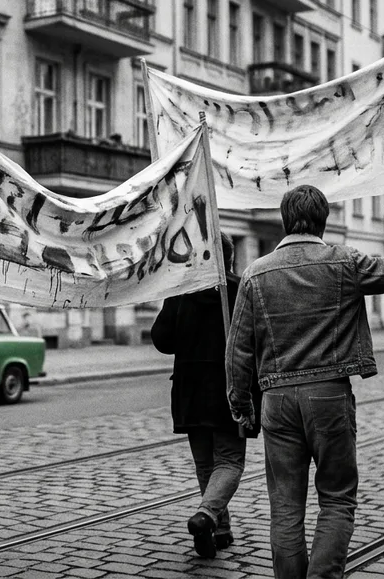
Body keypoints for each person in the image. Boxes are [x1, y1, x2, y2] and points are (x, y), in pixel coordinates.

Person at [226, 185, 384, 579]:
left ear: (285, 219)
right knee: (336, 498)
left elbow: (239, 351)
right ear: (324, 219)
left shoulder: (254, 274)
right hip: (329, 395)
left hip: (276, 400)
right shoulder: (345, 261)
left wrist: (242, 408)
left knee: (285, 506)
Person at [151, 232, 258, 559]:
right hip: (227, 387)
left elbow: (161, 338)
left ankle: (219, 530)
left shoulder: (182, 290)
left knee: (205, 463)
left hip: (189, 389)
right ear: (228, 258)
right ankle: (209, 517)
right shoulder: (240, 288)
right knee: (228, 461)